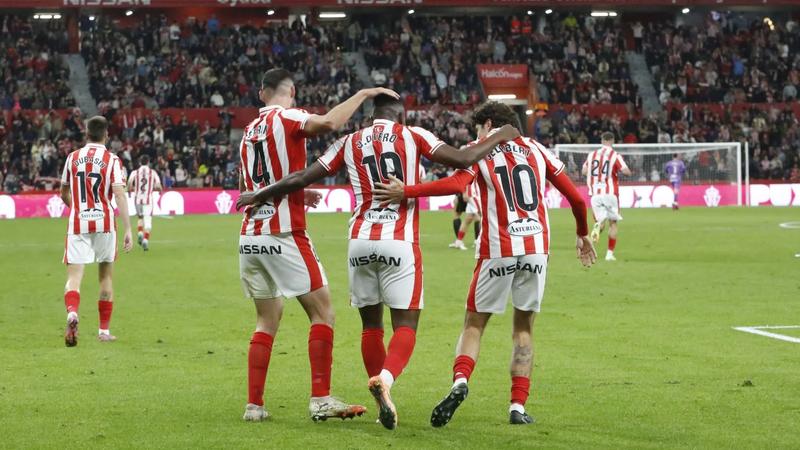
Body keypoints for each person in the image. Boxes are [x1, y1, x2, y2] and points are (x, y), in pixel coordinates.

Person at [236, 94, 521, 430]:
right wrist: (501, 134)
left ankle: (379, 400)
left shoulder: (349, 142)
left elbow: (302, 177)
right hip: (398, 241)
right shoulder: (414, 135)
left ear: (372, 116)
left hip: (359, 243)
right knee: (406, 326)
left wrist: (259, 194)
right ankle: (385, 379)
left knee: (371, 326)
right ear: (399, 115)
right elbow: (463, 159)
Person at [373, 101, 596, 427]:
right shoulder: (538, 150)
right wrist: (582, 234)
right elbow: (577, 199)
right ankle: (517, 407)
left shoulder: (479, 150)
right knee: (524, 328)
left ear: (488, 124)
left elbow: (454, 186)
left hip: (498, 249)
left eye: (478, 127)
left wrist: (406, 191)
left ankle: (460, 382)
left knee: (474, 324)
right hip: (535, 250)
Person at [235, 68, 398, 423]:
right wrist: (363, 94)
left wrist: (299, 191)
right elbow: (327, 124)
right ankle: (321, 398)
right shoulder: (289, 116)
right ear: (290, 91)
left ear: (262, 92)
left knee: (266, 319)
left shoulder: (248, 131)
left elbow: (256, 181)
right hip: (283, 234)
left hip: (250, 235)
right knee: (323, 312)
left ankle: (254, 406)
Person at [60, 116, 133, 346]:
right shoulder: (112, 160)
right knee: (105, 277)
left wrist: (78, 210)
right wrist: (129, 228)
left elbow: (63, 192)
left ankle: (72, 312)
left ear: (86, 133)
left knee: (74, 277)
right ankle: (103, 331)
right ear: (106, 135)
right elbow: (119, 194)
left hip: (78, 223)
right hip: (105, 223)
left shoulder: (72, 158)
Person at [582, 132, 632, 261]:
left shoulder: (591, 155)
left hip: (595, 194)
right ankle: (609, 254)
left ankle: (596, 230)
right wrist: (626, 172)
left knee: (600, 221)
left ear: (602, 140)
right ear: (612, 141)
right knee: (613, 224)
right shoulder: (615, 155)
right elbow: (626, 171)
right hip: (610, 193)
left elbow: (584, 171)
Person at [127, 155, 162, 251]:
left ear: (140, 162)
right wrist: (160, 190)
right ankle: (145, 240)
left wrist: (130, 191)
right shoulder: (152, 172)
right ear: (148, 162)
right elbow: (158, 185)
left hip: (137, 199)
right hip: (148, 200)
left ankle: (140, 233)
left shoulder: (135, 172)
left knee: (140, 217)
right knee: (148, 220)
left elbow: (129, 183)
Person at [449, 180, 481, 250]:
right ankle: (478, 241)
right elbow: (468, 178)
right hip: (473, 195)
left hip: (473, 194)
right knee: (480, 217)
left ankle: (459, 241)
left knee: (468, 219)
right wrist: (465, 193)